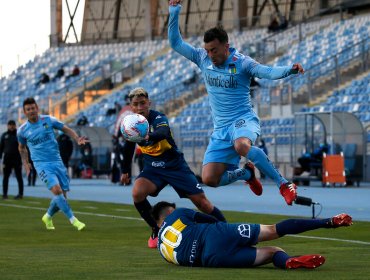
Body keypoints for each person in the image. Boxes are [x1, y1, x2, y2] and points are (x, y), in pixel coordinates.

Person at [168, 1, 305, 205]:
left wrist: (289, 70)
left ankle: (284, 184)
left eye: (214, 50)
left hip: (242, 120)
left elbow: (266, 71)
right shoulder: (202, 58)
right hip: (221, 128)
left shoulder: (243, 63)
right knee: (209, 179)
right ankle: (246, 175)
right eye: (208, 50)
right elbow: (176, 43)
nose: (210, 55)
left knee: (242, 145)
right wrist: (174, 11)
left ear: (226, 45)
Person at [120, 87, 226, 248]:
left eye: (143, 103)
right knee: (137, 193)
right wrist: (125, 170)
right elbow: (128, 148)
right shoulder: (131, 123)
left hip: (175, 166)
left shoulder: (158, 117)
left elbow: (163, 132)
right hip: (152, 168)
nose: (140, 107)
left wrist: (149, 135)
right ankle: (156, 229)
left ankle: (225, 229)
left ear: (149, 103)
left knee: (203, 203)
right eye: (136, 104)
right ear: (131, 106)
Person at [153, 201, 353, 268]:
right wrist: (226, 228)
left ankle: (287, 261)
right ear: (169, 211)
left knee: (273, 252)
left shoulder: (163, 253)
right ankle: (328, 222)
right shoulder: (177, 214)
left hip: (212, 259)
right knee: (273, 230)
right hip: (216, 235)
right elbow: (210, 219)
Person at [17, 97, 87, 231]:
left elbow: (65, 129)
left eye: (33, 108)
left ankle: (48, 216)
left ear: (37, 108)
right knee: (57, 190)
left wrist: (77, 139)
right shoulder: (22, 130)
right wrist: (25, 162)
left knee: (62, 195)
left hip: (57, 161)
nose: (31, 111)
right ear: (25, 112)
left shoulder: (48, 120)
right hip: (41, 164)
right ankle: (74, 221)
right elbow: (21, 147)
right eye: (28, 109)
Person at [0, 120, 24, 199]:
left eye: (13, 125)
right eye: (10, 125)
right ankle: (4, 194)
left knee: (19, 177)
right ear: (8, 126)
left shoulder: (19, 135)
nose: (11, 126)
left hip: (17, 158)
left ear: (15, 126)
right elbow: (1, 148)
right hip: (7, 159)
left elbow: (24, 147)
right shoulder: (4, 135)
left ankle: (20, 194)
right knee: (5, 177)